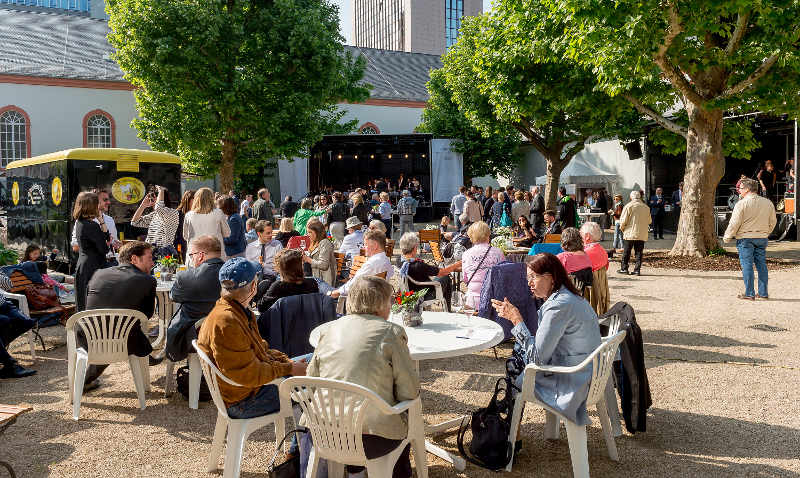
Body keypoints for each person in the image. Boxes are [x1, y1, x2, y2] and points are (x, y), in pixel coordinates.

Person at [304, 275, 419, 478]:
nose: (391, 306)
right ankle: (400, 473)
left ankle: (356, 471)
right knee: (408, 410)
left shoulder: (328, 330)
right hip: (371, 439)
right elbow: (409, 392)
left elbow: (311, 382)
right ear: (381, 303)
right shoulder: (391, 332)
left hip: (324, 433)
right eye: (390, 301)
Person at [491, 253, 602, 426]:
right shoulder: (569, 297)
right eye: (528, 278)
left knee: (514, 364)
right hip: (588, 372)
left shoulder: (558, 306)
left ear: (551, 277)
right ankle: (508, 422)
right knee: (518, 353)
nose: (529, 283)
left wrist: (516, 319)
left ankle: (508, 430)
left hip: (571, 381)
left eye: (533, 277)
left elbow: (538, 358)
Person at [197, 257, 307, 421]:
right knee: (318, 385)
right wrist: (289, 369)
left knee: (317, 361)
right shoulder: (227, 321)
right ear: (254, 287)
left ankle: (305, 443)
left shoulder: (235, 310)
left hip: (247, 390)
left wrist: (289, 364)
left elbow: (260, 350)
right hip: (244, 401)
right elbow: (249, 374)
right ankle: (302, 446)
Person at [82, 241, 157, 387]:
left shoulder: (99, 273)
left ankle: (83, 381)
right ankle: (146, 354)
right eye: (149, 258)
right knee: (123, 330)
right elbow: (146, 315)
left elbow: (89, 305)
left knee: (113, 328)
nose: (153, 262)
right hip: (122, 341)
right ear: (134, 259)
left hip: (85, 337)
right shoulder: (147, 280)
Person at [166, 235, 224, 362]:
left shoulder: (186, 276)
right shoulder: (233, 274)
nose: (191, 259)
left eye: (191, 255)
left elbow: (173, 296)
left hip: (195, 337)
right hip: (228, 332)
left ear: (201, 255)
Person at [723, 178, 777, 300]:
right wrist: (766, 232)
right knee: (762, 265)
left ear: (747, 189)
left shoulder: (741, 204)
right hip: (762, 238)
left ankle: (749, 293)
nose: (739, 191)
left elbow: (734, 223)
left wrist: (727, 237)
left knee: (747, 265)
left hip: (745, 238)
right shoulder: (768, 203)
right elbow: (773, 221)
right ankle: (763, 293)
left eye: (740, 188)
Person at [398, 232, 460, 311]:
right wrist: (457, 264)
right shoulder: (418, 265)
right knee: (446, 277)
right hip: (424, 294)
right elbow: (443, 272)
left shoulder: (400, 261)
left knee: (441, 276)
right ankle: (448, 309)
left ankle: (447, 308)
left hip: (408, 292)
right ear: (414, 249)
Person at [73, 192, 110, 311]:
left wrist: (101, 220)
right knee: (92, 301)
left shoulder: (80, 222)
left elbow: (106, 238)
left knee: (83, 300)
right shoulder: (92, 226)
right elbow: (105, 248)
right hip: (93, 266)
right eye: (96, 203)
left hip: (83, 264)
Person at [330, 230, 393, 298]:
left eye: (365, 244)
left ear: (375, 246)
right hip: (372, 295)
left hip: (355, 298)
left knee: (320, 284)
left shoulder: (372, 263)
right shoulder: (385, 260)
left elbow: (354, 285)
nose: (363, 247)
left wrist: (336, 292)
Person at [257, 249, 319, 313]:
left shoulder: (278, 287)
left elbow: (261, 308)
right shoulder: (312, 283)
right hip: (310, 321)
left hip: (284, 322)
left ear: (280, 268)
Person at [461, 221, 506, 309]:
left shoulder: (466, 254)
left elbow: (465, 279)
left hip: (473, 301)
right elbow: (503, 277)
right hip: (493, 301)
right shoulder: (498, 252)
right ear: (488, 235)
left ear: (471, 237)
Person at [183, 187, 231, 263]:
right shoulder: (218, 213)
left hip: (195, 256)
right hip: (215, 255)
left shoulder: (188, 215)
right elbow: (227, 233)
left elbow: (185, 236)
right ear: (211, 198)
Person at [0, 282, 36, 378]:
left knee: (27, 322)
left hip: (3, 304)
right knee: (4, 321)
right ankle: (10, 365)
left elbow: (8, 285)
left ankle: (1, 351)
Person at [132, 185, 181, 254]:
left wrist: (161, 191)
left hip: (164, 251)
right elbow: (135, 222)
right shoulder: (155, 214)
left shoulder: (172, 212)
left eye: (154, 196)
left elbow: (159, 208)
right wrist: (143, 205)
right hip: (151, 250)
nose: (151, 199)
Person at [618, 190, 651, 276]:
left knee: (627, 251)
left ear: (631, 197)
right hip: (642, 233)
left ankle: (624, 268)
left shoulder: (628, 206)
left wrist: (623, 229)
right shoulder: (646, 207)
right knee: (639, 252)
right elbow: (649, 221)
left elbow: (623, 221)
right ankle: (637, 270)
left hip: (630, 232)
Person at [580, 222, 610, 315]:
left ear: (587, 236)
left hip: (589, 293)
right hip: (601, 290)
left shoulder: (585, 253)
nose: (580, 236)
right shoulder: (602, 250)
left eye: (581, 234)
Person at [303, 218, 337, 286]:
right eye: (307, 232)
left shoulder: (325, 243)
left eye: (310, 232)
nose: (308, 235)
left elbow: (323, 265)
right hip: (316, 277)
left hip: (324, 281)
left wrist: (308, 259)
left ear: (318, 232)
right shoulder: (315, 242)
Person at [175, 190, 196, 261]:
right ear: (188, 199)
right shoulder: (178, 213)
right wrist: (179, 248)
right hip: (181, 245)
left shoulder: (196, 213)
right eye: (194, 198)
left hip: (194, 245)